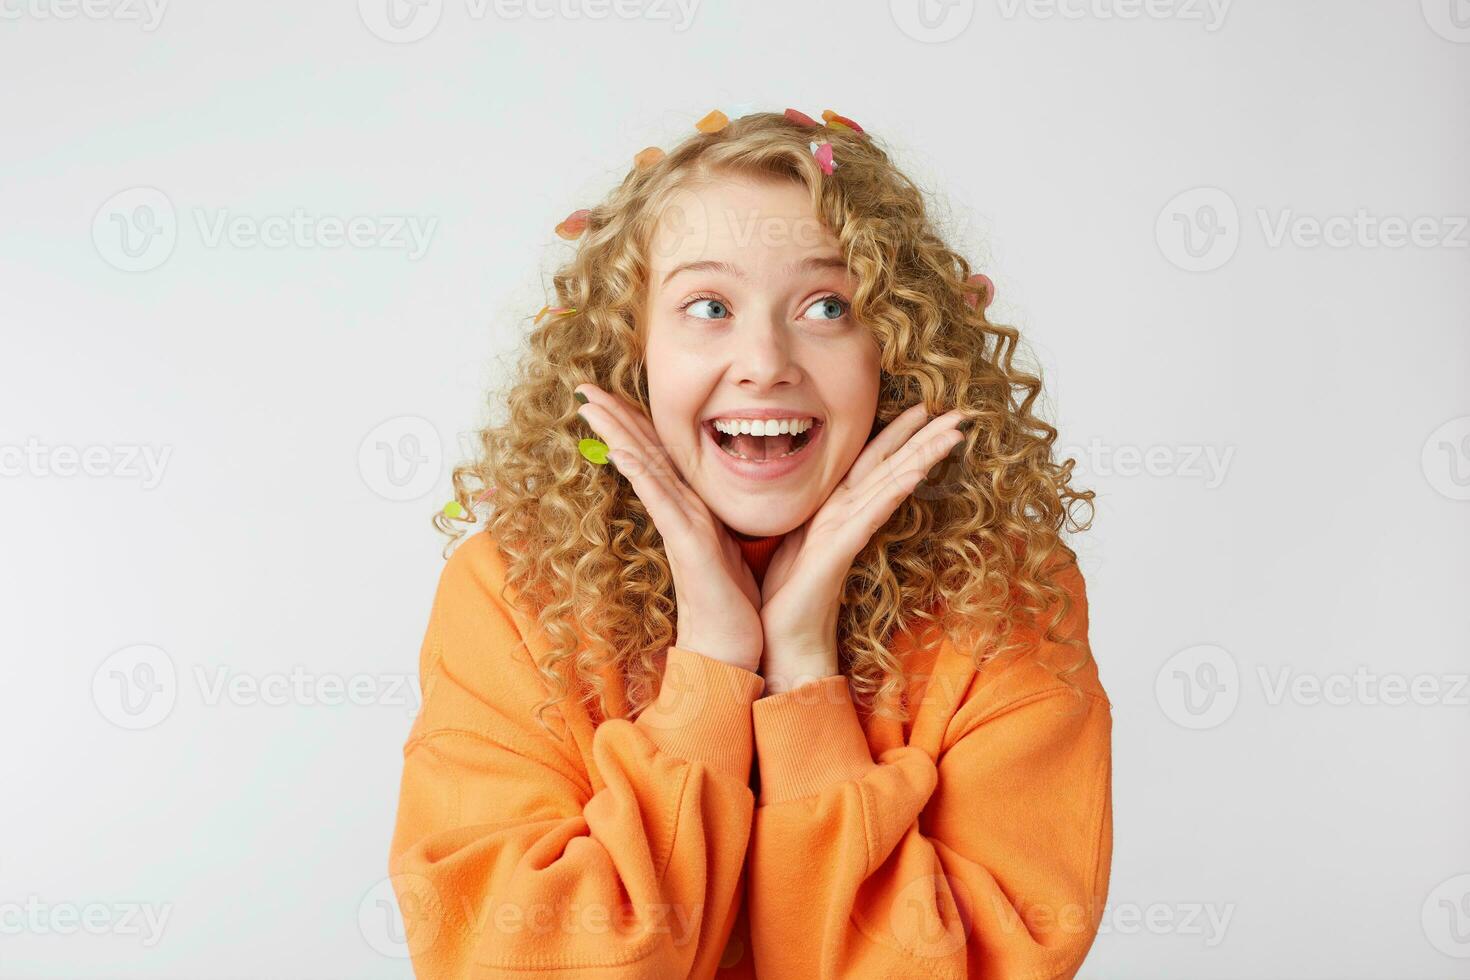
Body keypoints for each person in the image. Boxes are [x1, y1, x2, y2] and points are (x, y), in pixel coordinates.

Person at [387, 107, 1111, 979]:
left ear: (900, 346)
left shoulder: (1007, 601)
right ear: (631, 350)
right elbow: (507, 960)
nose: (765, 360)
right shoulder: (512, 589)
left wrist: (805, 669)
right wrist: (712, 665)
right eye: (708, 306)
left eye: (828, 305)